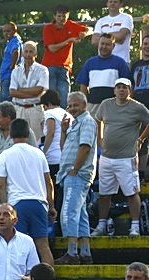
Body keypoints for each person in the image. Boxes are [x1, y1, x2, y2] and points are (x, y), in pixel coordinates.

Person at [92, 78, 149, 238]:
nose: (121, 90)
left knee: (131, 192)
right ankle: (101, 224)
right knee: (104, 193)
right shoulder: (106, 104)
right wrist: (99, 139)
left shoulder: (137, 107)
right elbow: (98, 120)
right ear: (114, 90)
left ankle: (135, 226)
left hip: (127, 157)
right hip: (106, 157)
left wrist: (141, 139)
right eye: (118, 87)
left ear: (130, 90)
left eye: (124, 87)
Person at [0, 118, 55, 266]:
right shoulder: (38, 153)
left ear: (10, 133)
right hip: (39, 204)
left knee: (17, 247)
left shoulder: (5, 154)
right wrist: (51, 206)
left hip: (17, 205)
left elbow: (0, 185)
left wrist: (4, 208)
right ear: (28, 133)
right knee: (43, 246)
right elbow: (49, 183)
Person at [55, 91, 97, 265]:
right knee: (80, 213)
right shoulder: (75, 124)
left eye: (76, 105)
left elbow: (85, 147)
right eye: (70, 105)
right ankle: (85, 253)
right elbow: (64, 148)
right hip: (73, 173)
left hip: (77, 174)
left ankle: (72, 252)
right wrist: (64, 131)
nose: (72, 109)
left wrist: (75, 169)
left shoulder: (87, 121)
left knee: (69, 211)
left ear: (84, 105)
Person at [0, 101, 37, 208]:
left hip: (18, 187)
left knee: (16, 218)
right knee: (1, 218)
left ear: (8, 117)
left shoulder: (26, 132)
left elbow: (33, 160)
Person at [42, 5, 90, 109]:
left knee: (65, 99)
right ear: (54, 16)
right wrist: (69, 40)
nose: (62, 19)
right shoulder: (48, 28)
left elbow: (89, 29)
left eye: (64, 16)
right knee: (51, 100)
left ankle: (64, 122)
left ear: (67, 16)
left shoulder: (70, 25)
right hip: (50, 66)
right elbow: (52, 48)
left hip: (65, 67)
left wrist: (84, 33)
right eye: (59, 16)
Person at [76, 33, 130, 118]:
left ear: (113, 46)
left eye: (107, 44)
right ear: (98, 44)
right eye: (102, 44)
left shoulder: (120, 63)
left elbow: (127, 86)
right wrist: (85, 104)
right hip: (94, 106)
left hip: (114, 106)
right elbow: (83, 85)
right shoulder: (90, 63)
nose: (104, 47)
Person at [41, 89, 72, 220]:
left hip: (53, 158)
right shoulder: (67, 114)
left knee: (54, 193)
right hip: (65, 158)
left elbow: (51, 133)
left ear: (47, 104)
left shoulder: (50, 114)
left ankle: (55, 220)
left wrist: (43, 152)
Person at [9, 41, 49, 142]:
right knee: (17, 140)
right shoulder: (16, 71)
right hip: (18, 109)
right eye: (26, 51)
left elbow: (39, 90)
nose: (28, 54)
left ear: (35, 54)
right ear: (22, 53)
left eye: (31, 52)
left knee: (36, 140)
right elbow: (12, 92)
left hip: (35, 109)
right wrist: (32, 92)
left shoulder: (42, 70)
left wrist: (20, 90)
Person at [131, 35, 149, 182]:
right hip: (139, 106)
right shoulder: (135, 65)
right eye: (145, 44)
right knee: (140, 141)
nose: (147, 46)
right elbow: (131, 86)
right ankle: (140, 175)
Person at [0, 22, 23, 103]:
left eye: (8, 31)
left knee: (6, 102)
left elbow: (16, 51)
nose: (6, 33)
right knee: (1, 103)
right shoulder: (10, 42)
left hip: (9, 75)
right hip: (5, 75)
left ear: (14, 31)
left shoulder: (14, 41)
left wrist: (13, 65)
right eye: (4, 31)